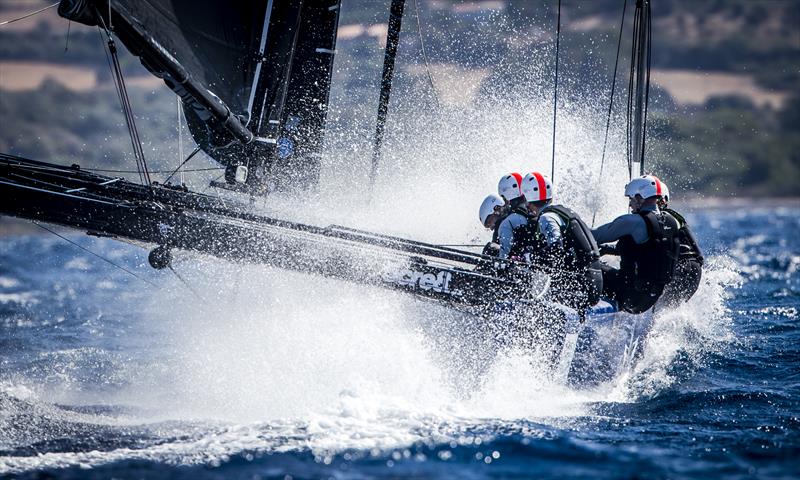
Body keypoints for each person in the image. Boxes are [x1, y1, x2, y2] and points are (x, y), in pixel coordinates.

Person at [499, 171, 602, 311]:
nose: (526, 205)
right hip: (592, 281)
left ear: (529, 199)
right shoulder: (561, 211)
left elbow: (556, 250)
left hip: (581, 287)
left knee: (530, 298)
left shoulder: (546, 218)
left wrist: (527, 258)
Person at [592, 175, 681, 314]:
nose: (630, 205)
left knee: (587, 267)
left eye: (631, 199)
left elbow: (595, 236)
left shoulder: (632, 222)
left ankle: (565, 306)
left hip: (629, 294)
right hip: (649, 299)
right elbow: (648, 252)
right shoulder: (671, 221)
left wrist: (568, 227)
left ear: (640, 198)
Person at [656, 180, 704, 306]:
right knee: (665, 310)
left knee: (663, 310)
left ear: (664, 201)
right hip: (692, 269)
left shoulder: (665, 217)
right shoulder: (674, 217)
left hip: (684, 268)